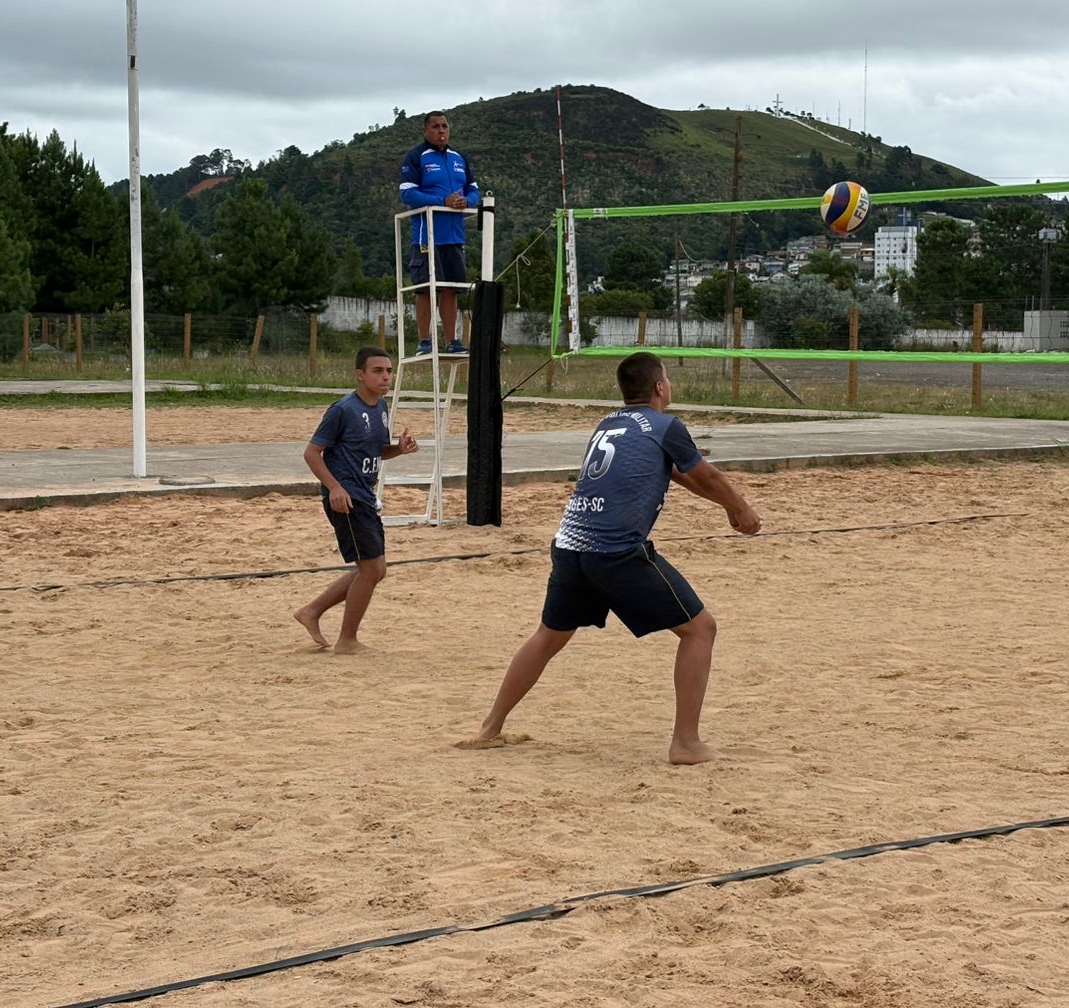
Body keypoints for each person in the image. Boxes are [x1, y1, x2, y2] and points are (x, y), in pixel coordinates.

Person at [470, 351, 761, 764]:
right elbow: (706, 475)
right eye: (668, 379)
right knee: (700, 629)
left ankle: (490, 726)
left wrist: (725, 507)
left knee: (548, 636)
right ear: (660, 387)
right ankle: (686, 743)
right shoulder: (665, 424)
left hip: (570, 545)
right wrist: (740, 509)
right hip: (615, 550)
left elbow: (677, 474)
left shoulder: (609, 423)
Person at [294, 346, 420, 652]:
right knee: (370, 569)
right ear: (359, 375)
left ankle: (311, 612)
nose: (386, 376)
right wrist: (334, 488)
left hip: (365, 494)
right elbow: (311, 453)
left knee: (376, 570)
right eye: (378, 371)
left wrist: (399, 449)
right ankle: (347, 640)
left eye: (389, 371)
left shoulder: (381, 407)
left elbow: (377, 451)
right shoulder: (343, 409)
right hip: (346, 497)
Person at [399, 111, 480, 356]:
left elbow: (474, 190)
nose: (441, 130)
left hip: (454, 236)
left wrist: (467, 201)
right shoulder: (416, 157)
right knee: (425, 288)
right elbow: (407, 193)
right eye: (435, 126)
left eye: (445, 126)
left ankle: (451, 341)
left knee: (451, 288)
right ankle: (425, 341)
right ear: (426, 131)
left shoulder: (459, 157)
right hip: (427, 235)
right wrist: (441, 200)